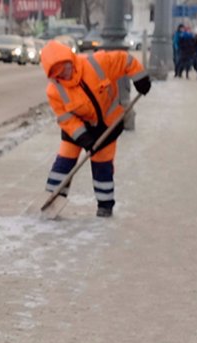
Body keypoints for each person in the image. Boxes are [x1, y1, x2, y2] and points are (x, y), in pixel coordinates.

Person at [40, 40, 151, 218]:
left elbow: (125, 60)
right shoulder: (55, 90)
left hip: (108, 123)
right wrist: (83, 138)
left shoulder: (96, 63)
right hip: (77, 128)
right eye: (59, 74)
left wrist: (140, 77)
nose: (65, 75)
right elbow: (66, 119)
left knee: (102, 164)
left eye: (66, 68)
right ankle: (52, 199)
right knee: (64, 162)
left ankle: (105, 205)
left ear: (71, 59)